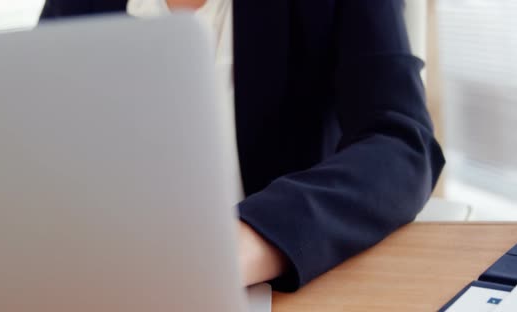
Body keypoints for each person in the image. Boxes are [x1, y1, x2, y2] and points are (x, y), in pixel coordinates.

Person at [39, 0, 445, 292]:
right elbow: (33, 135)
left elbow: (403, 142)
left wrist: (249, 239)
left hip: (266, 281)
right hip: (105, 275)